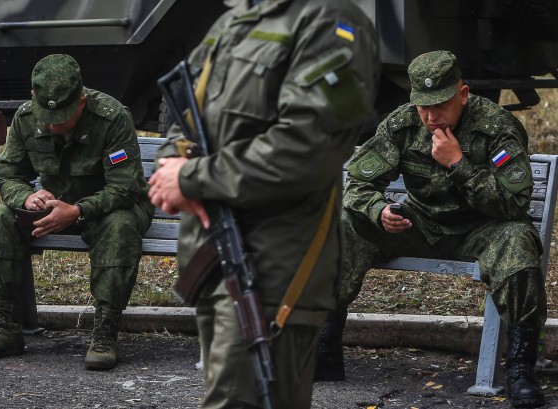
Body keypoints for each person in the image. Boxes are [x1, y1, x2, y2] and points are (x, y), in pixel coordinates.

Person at [148, 0, 380, 407]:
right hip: (211, 254)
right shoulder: (234, 19)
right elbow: (183, 112)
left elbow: (308, 147)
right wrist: (173, 160)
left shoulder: (332, 22)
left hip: (272, 271)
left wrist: (192, 178)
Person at [315, 50, 547, 408]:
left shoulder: (496, 127)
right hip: (419, 224)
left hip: (480, 231)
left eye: (439, 105)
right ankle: (324, 350)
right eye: (423, 105)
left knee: (517, 243)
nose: (430, 116)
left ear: (463, 94)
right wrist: (379, 213)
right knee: (345, 226)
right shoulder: (403, 124)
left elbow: (513, 205)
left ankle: (520, 371)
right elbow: (359, 186)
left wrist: (458, 164)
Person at [0, 54, 154, 371]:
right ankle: (5, 329)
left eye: (62, 116)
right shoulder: (26, 118)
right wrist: (27, 198)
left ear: (81, 101)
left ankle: (105, 333)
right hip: (54, 205)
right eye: (47, 116)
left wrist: (77, 211)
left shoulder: (111, 117)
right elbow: (7, 174)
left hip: (110, 206)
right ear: (33, 97)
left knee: (119, 227)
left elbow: (125, 188)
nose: (52, 124)